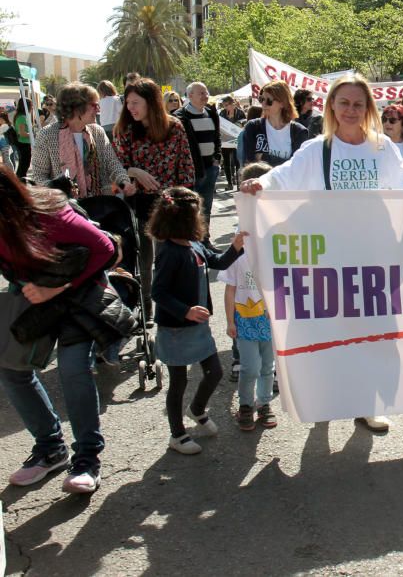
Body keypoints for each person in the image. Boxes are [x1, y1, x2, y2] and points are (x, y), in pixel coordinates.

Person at [239, 74, 403, 432]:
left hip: (373, 256)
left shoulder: (382, 148)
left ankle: (367, 403)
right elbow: (282, 177)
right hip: (329, 259)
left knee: (373, 332)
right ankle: (326, 399)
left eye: (359, 104)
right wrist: (259, 183)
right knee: (328, 331)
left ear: (368, 109)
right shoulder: (316, 150)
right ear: (331, 108)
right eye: (344, 103)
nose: (351, 110)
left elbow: (402, 178)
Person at [0, 165, 124, 493]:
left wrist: (58, 289)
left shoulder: (49, 213)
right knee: (12, 369)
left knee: (73, 369)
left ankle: (87, 458)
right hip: (34, 295)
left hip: (80, 293)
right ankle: (51, 448)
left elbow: (106, 249)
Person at [148, 186, 245, 454]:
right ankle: (177, 434)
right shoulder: (169, 252)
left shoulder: (194, 244)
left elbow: (218, 261)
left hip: (198, 326)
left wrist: (235, 248)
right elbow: (158, 292)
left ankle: (197, 410)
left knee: (215, 372)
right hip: (176, 328)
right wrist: (185, 311)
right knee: (178, 383)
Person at [113, 78, 197, 317]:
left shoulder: (175, 127)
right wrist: (133, 171)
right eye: (127, 102)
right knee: (144, 259)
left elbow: (186, 167)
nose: (130, 107)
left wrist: (185, 203)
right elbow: (116, 165)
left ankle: (168, 307)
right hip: (137, 204)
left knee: (167, 258)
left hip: (169, 206)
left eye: (135, 102)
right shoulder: (125, 130)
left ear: (151, 102)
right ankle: (146, 306)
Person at [222, 162, 277, 431]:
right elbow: (230, 286)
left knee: (268, 366)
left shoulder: (277, 240)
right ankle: (246, 405)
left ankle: (264, 403)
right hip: (245, 319)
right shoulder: (239, 243)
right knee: (250, 368)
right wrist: (230, 320)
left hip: (270, 319)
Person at [27, 82, 134, 199]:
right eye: (94, 105)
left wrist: (124, 182)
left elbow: (112, 164)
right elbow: (38, 176)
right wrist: (60, 192)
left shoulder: (97, 132)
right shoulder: (47, 135)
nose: (98, 109)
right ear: (77, 108)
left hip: (98, 205)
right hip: (64, 209)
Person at [176, 82, 222, 241]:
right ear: (190, 96)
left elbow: (217, 138)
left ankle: (204, 240)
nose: (205, 95)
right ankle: (192, 242)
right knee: (190, 207)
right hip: (192, 170)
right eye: (201, 93)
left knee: (206, 207)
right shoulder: (180, 117)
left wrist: (217, 158)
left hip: (210, 168)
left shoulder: (211, 113)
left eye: (206, 92)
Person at [241, 80, 311, 167]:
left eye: (269, 100)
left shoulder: (299, 131)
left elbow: (297, 167)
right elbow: (249, 163)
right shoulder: (253, 127)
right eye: (261, 99)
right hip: (259, 180)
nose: (263, 104)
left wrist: (264, 157)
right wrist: (285, 162)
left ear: (282, 103)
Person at [13, 97, 33, 178]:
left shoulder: (21, 116)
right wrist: (33, 135)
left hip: (23, 143)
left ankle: (19, 182)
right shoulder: (22, 117)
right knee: (24, 165)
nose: (32, 107)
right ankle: (20, 182)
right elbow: (22, 133)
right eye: (31, 105)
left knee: (23, 165)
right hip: (23, 144)